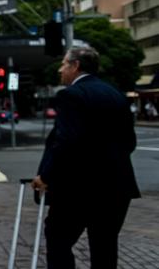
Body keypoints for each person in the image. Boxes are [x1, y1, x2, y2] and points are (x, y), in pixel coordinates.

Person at [32, 47, 140, 269]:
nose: (61, 70)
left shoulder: (71, 95)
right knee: (105, 247)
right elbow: (129, 142)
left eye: (63, 64)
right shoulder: (116, 94)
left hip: (79, 189)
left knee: (58, 238)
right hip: (117, 187)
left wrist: (46, 176)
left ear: (76, 66)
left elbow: (66, 142)